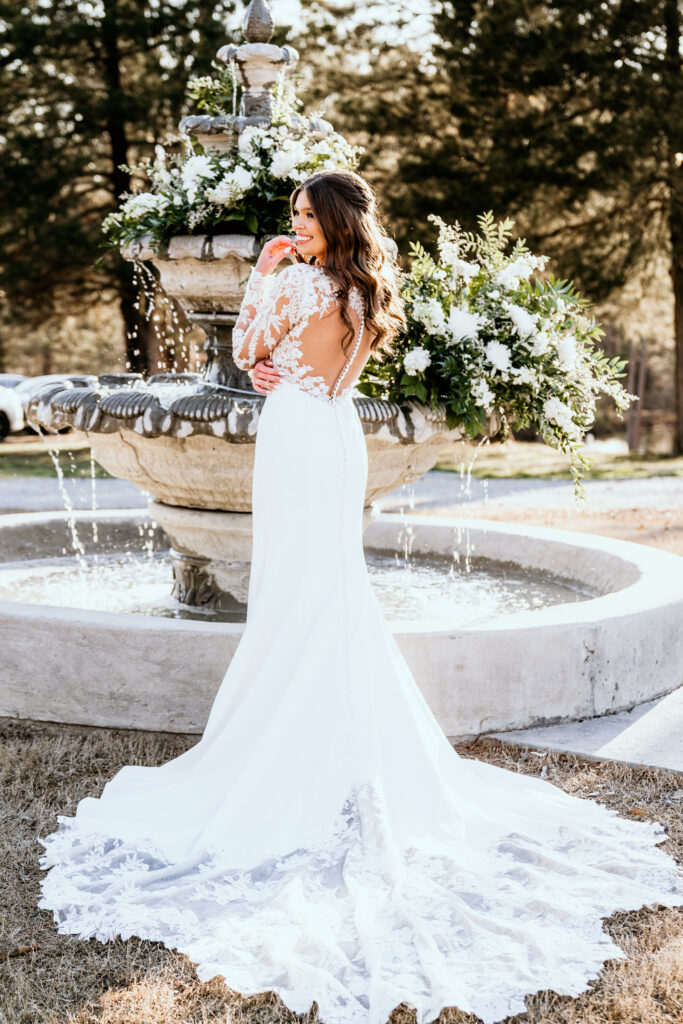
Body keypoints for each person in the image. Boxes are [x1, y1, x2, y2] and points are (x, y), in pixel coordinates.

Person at [38, 169, 683, 1024]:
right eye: (291, 219)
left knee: (296, 586)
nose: (295, 227)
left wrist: (265, 272)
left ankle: (294, 737)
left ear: (332, 222)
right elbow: (323, 367)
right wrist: (285, 337)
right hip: (334, 433)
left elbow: (243, 357)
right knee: (329, 584)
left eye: (305, 217)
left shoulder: (299, 279)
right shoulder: (365, 288)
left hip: (298, 439)